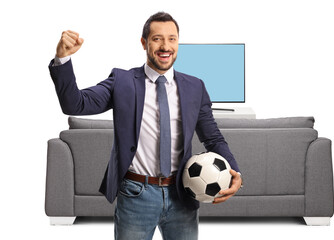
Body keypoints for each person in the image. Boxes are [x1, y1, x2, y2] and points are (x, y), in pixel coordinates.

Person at [49, 12, 242, 240]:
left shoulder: (195, 87)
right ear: (144, 43)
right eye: (157, 38)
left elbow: (213, 138)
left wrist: (234, 171)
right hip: (135, 193)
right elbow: (75, 104)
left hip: (183, 193)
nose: (165, 46)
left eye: (172, 39)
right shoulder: (122, 82)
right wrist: (62, 59)